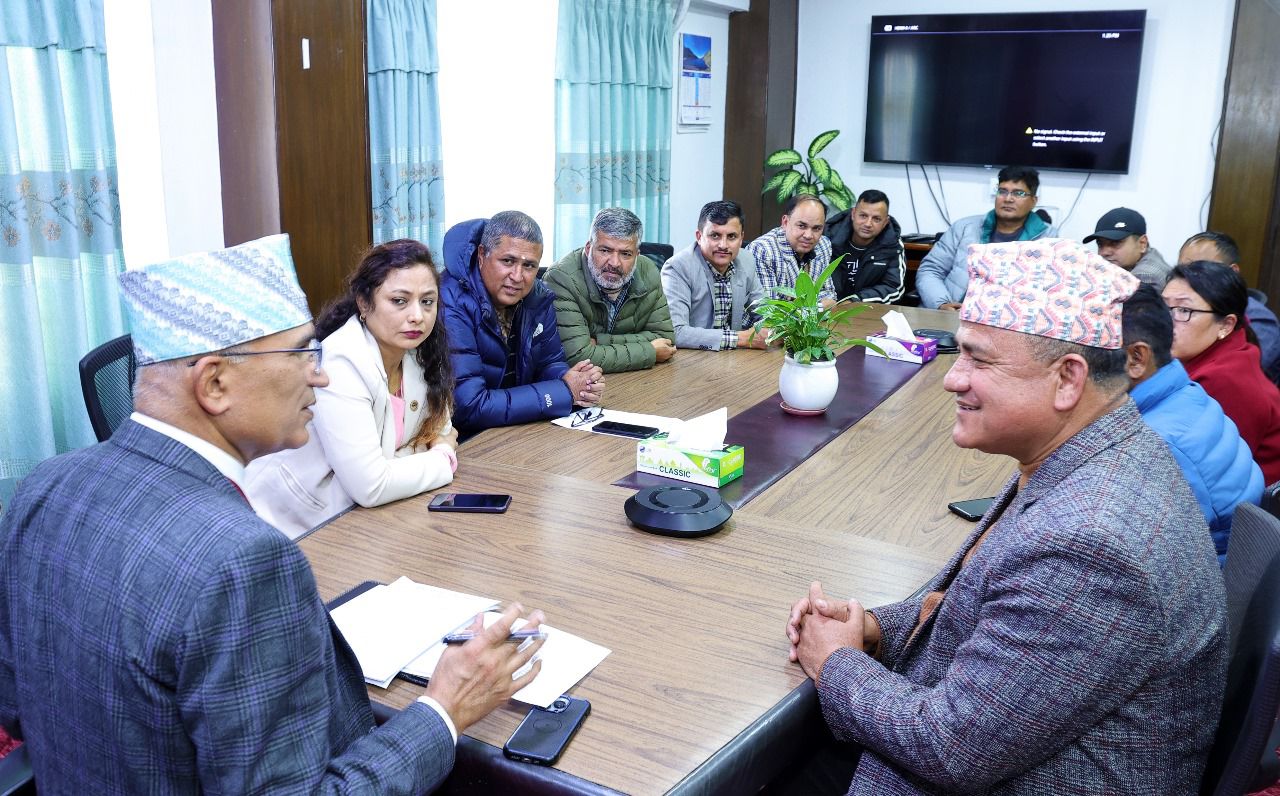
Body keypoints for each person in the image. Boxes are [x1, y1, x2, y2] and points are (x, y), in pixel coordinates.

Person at [0, 235, 546, 792]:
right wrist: (445, 708)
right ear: (214, 383)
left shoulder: (43, 486)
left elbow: (19, 707)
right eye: (302, 353)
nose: (321, 375)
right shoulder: (245, 561)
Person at [785, 239, 1227, 793]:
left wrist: (836, 662)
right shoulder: (1095, 452)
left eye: (978, 359)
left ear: (1068, 379)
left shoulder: (1090, 543)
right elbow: (982, 613)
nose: (952, 378)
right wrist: (875, 629)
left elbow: (950, 748)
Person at [244, 239, 459, 538]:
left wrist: (396, 463)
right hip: (295, 524)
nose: (417, 316)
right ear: (364, 303)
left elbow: (441, 429)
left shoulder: (418, 352)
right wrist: (442, 456)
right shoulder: (342, 362)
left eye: (427, 301)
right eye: (399, 301)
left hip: (366, 520)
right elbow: (372, 486)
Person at [1121, 283, 1262, 564]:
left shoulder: (1153, 443)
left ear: (1137, 358)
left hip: (1210, 573)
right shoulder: (1185, 391)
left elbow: (1148, 555)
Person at [441, 210, 603, 436]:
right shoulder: (450, 302)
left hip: (515, 428)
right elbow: (469, 406)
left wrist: (573, 381)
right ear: (481, 255)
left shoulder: (538, 296)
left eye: (529, 266)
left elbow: (549, 362)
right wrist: (563, 391)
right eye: (508, 261)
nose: (517, 277)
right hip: (461, 440)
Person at [1163, 260, 1280, 484]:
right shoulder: (1209, 355)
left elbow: (1199, 475)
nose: (1165, 322)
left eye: (1184, 310)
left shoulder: (1223, 380)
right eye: (1163, 307)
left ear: (1226, 325)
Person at [544, 207, 675, 373]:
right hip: (585, 384)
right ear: (588, 248)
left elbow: (665, 339)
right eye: (605, 250)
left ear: (637, 255)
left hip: (638, 379)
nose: (614, 263)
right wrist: (649, 351)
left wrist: (600, 341)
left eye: (625, 254)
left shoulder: (647, 270)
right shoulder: (561, 278)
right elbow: (578, 356)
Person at [915, 165, 1051, 309]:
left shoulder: (1049, 238)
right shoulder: (964, 227)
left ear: (1034, 201)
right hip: (952, 312)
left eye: (1018, 193)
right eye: (1002, 191)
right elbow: (930, 270)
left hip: (1009, 316)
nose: (1008, 199)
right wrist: (942, 304)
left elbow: (1049, 289)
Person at [662, 200, 772, 350]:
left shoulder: (746, 261)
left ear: (741, 238)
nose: (723, 245)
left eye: (732, 236)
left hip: (733, 356)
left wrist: (769, 329)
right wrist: (741, 338)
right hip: (692, 357)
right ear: (699, 236)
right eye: (715, 235)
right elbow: (677, 332)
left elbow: (767, 313)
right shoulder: (678, 267)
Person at [1179, 230, 1280, 381]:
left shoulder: (1259, 320)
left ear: (1232, 272)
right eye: (1182, 270)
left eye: (1200, 270)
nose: (1187, 279)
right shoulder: (1182, 307)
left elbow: (1241, 375)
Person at [746, 193, 837, 308]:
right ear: (785, 222)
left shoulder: (823, 245)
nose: (808, 235)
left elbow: (830, 296)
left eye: (817, 228)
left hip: (810, 319)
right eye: (802, 226)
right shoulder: (763, 250)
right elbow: (769, 310)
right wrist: (817, 305)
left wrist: (794, 303)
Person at [823, 189, 906, 303]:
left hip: (867, 308)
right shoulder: (827, 238)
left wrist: (856, 300)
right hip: (827, 306)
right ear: (853, 214)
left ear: (885, 222)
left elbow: (894, 288)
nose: (868, 224)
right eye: (863, 216)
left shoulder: (893, 245)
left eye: (876, 219)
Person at [1083, 207, 1171, 289]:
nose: (1104, 252)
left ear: (1142, 243)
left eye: (1115, 242)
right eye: (1100, 244)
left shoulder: (1143, 276)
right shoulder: (1149, 255)